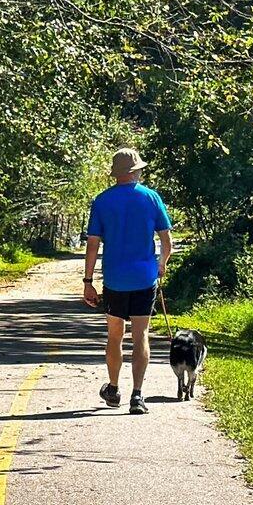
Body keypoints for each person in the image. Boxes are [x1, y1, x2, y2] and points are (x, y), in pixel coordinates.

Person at [80, 147, 174, 413]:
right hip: (144, 277)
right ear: (135, 171)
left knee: (115, 336)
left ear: (117, 173)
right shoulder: (151, 197)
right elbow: (167, 241)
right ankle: (137, 395)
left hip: (115, 279)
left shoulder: (102, 201)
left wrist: (88, 281)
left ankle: (113, 388)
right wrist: (161, 265)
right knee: (141, 334)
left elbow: (93, 245)